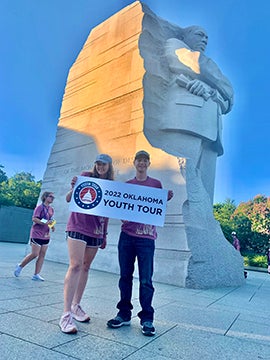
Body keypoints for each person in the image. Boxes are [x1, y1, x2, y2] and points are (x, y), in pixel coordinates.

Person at [158, 26, 234, 203]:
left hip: (212, 131)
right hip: (185, 121)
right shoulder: (174, 44)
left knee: (204, 196)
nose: (205, 40)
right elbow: (197, 63)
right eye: (200, 35)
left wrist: (212, 90)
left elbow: (229, 100)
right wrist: (223, 88)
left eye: (207, 37)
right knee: (182, 187)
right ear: (185, 36)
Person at [107, 150, 173, 336]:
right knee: (125, 277)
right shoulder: (128, 185)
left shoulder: (156, 184)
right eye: (139, 160)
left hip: (147, 238)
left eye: (145, 161)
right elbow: (120, 210)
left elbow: (157, 209)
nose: (142, 163)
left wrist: (164, 199)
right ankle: (124, 314)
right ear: (134, 163)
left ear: (148, 164)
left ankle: (147, 318)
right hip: (127, 236)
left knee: (146, 280)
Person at [59, 153, 114, 334]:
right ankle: (66, 314)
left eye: (104, 164)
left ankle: (76, 305)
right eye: (98, 163)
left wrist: (104, 234)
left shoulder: (111, 185)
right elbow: (69, 198)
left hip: (96, 230)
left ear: (109, 166)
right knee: (75, 265)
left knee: (85, 267)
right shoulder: (85, 176)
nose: (100, 167)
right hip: (77, 225)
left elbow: (106, 211)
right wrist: (73, 188)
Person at [14, 191, 55, 281]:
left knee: (42, 254)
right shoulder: (39, 208)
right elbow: (34, 218)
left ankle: (36, 274)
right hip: (37, 233)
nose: (52, 198)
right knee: (35, 254)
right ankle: (20, 266)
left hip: (46, 235)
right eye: (51, 196)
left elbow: (50, 220)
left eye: (53, 197)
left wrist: (52, 226)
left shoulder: (51, 209)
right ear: (45, 197)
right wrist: (45, 222)